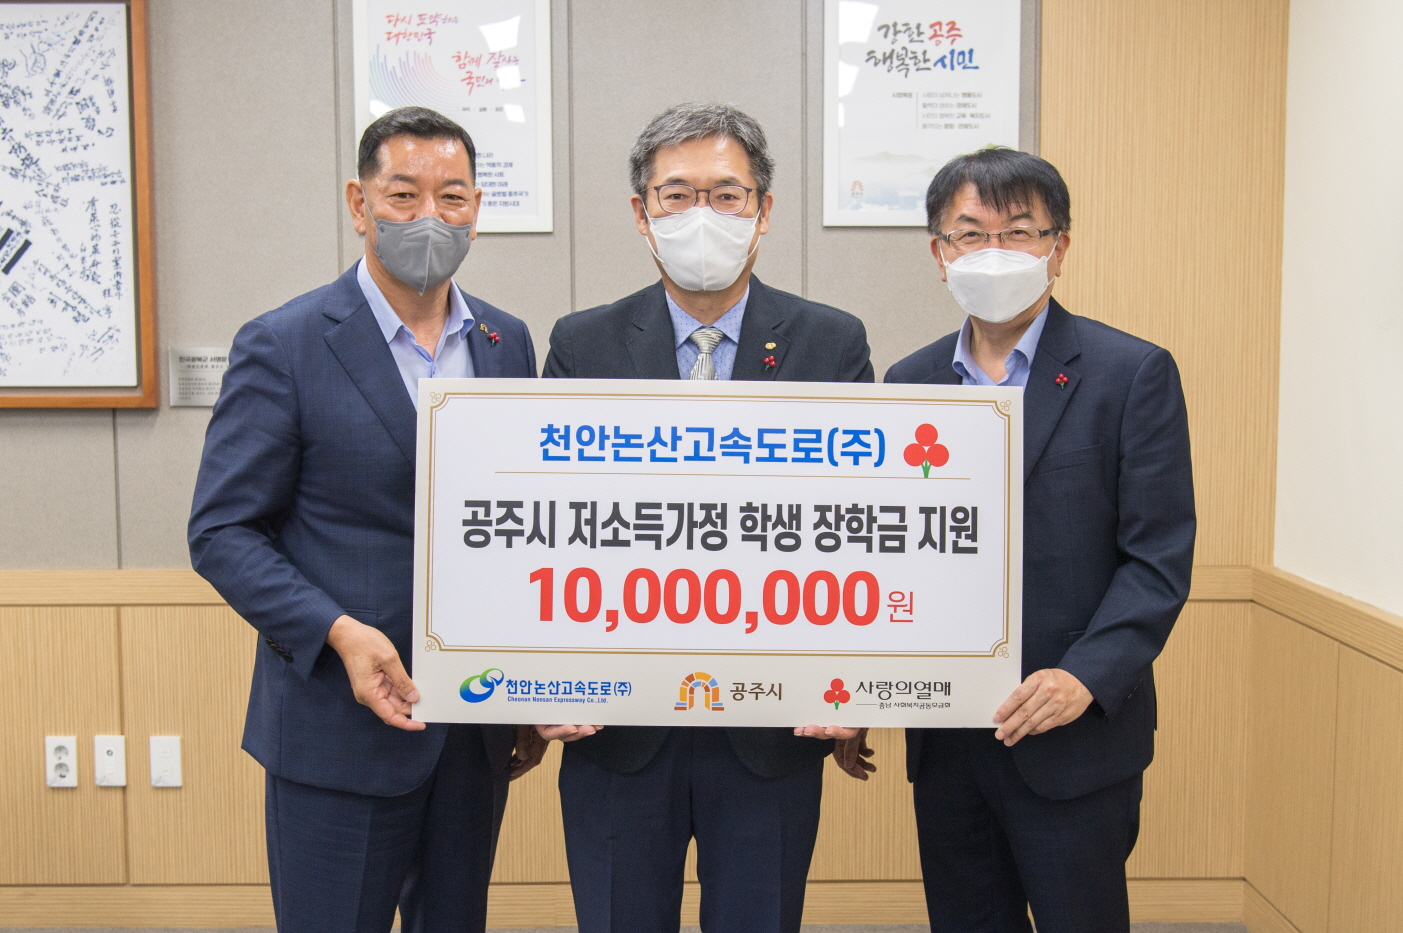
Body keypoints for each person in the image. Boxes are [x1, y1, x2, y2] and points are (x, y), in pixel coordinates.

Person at [188, 107, 543, 933]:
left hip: (472, 729)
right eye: (403, 194)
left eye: (451, 197)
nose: (429, 217)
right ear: (359, 203)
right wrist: (338, 631)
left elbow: (518, 524)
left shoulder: (506, 342)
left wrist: (530, 682)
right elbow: (222, 532)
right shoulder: (285, 343)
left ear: (477, 208)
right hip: (337, 729)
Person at [540, 102, 876, 933]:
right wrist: (539, 681)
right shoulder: (581, 344)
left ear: (763, 209)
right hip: (616, 729)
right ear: (641, 211)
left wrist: (858, 684)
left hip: (772, 731)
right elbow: (546, 524)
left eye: (726, 194)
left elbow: (864, 527)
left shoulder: (831, 344)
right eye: (677, 194)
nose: (702, 215)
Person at [884, 147, 1195, 933]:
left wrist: (1083, 675)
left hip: (1072, 734)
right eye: (969, 234)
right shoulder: (907, 384)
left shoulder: (1131, 373)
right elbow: (889, 552)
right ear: (938, 254)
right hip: (949, 740)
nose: (993, 253)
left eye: (1019, 231)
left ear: (1059, 248)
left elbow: (1157, 559)